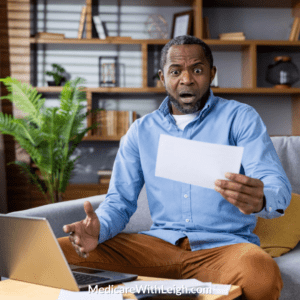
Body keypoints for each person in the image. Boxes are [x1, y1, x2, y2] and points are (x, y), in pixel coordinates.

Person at [59, 35, 291, 300]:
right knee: (54, 255)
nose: (187, 79)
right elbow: (119, 203)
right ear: (162, 77)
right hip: (156, 247)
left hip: (224, 249)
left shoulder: (240, 118)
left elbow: (274, 183)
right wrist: (98, 229)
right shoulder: (140, 131)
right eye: (176, 71)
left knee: (261, 274)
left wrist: (262, 199)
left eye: (198, 70)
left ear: (212, 73)